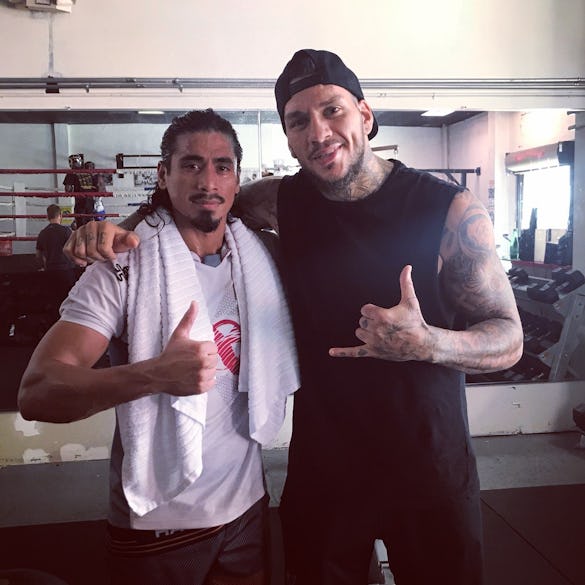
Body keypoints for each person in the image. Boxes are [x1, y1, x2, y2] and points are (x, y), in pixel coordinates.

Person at [63, 50, 524, 585]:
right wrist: (112, 232)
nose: (319, 132)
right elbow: (198, 201)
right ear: (288, 138)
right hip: (326, 470)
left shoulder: (448, 210)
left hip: (430, 467)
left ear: (365, 115)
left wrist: (429, 344)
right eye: (299, 121)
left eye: (333, 111)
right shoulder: (281, 201)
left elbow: (509, 338)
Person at [19, 110, 299, 585]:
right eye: (191, 165)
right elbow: (38, 392)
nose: (208, 181)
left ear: (237, 180)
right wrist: (154, 375)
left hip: (247, 507)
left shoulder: (261, 257)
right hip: (158, 522)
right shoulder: (121, 268)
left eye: (222, 166)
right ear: (163, 175)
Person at [35, 204, 78, 322]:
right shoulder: (66, 231)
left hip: (50, 271)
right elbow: (74, 249)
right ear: (60, 215)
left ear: (47, 216)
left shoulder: (43, 233)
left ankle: (54, 326)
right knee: (69, 301)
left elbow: (38, 254)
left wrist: (42, 266)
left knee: (54, 301)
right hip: (66, 271)